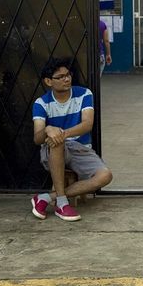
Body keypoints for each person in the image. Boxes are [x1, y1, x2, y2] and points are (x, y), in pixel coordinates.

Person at [30, 58, 113, 222]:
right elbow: (37, 139)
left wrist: (62, 133)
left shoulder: (84, 94)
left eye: (68, 75)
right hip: (53, 151)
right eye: (60, 77)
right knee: (56, 141)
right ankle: (62, 204)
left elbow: (87, 124)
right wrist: (47, 129)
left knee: (105, 176)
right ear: (48, 81)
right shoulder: (41, 103)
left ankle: (47, 197)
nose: (66, 79)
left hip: (80, 148)